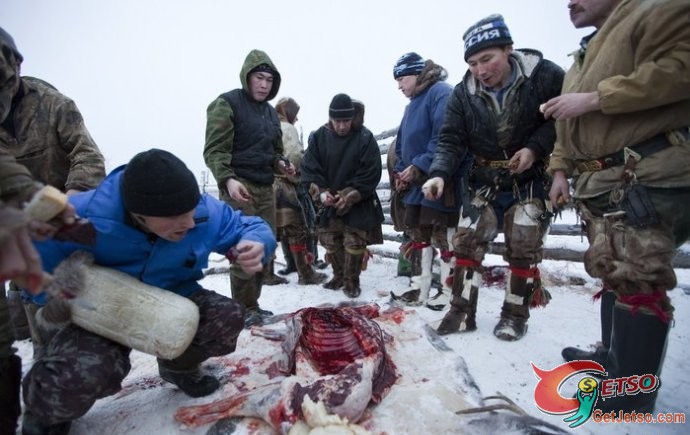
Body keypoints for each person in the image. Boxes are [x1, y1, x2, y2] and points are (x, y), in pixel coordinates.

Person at [20, 149, 276, 433]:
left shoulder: (202, 212)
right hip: (103, 309)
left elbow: (248, 225)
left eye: (192, 212)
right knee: (79, 375)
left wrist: (255, 242)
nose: (190, 223)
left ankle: (178, 367)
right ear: (139, 215)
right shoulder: (82, 217)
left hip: (171, 296)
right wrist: (54, 295)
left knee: (225, 317)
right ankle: (45, 411)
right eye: (178, 217)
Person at [543, 0, 690, 413]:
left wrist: (597, 99)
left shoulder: (660, 10)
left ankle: (632, 392)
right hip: (602, 180)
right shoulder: (584, 54)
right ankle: (613, 358)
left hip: (646, 172)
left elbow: (681, 68)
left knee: (638, 276)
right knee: (613, 269)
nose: (569, 2)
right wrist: (559, 169)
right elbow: (566, 124)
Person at [422, 14, 564, 341]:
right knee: (466, 242)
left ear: (509, 50)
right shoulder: (462, 94)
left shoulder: (546, 75)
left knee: (524, 244)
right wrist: (440, 173)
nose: (480, 70)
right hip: (482, 180)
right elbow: (451, 139)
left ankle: (515, 315)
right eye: (472, 63)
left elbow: (561, 120)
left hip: (531, 180)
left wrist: (534, 148)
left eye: (487, 59)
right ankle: (461, 312)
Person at [0, 26, 106, 344]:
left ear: (16, 65)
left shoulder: (54, 105)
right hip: (13, 227)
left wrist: (71, 200)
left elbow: (88, 156)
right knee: (31, 303)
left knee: (67, 298)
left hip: (61, 219)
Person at [204, 49, 293, 326]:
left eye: (269, 79)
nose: (264, 84)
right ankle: (243, 310)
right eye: (259, 77)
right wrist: (227, 180)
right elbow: (214, 150)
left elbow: (275, 150)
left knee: (264, 249)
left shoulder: (269, 113)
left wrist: (281, 163)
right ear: (247, 77)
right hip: (238, 187)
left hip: (266, 187)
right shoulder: (227, 104)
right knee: (245, 250)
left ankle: (251, 305)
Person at [387, 52, 461, 309]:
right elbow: (402, 144)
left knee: (443, 237)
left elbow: (443, 137)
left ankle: (449, 290)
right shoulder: (411, 106)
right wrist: (400, 172)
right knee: (419, 236)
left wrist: (419, 166)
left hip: (437, 182)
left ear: (418, 74)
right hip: (415, 185)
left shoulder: (441, 93)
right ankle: (421, 286)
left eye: (402, 78)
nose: (399, 85)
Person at [301, 93, 384, 298]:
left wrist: (349, 195)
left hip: (358, 200)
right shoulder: (319, 137)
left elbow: (371, 172)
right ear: (330, 118)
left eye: (346, 121)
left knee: (354, 241)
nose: (341, 126)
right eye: (337, 121)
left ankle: (351, 280)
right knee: (330, 239)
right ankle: (338, 275)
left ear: (352, 117)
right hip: (328, 199)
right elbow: (310, 169)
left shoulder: (364, 138)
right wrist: (321, 193)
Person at [272, 97, 327, 285]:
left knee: (270, 229)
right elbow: (294, 156)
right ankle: (305, 273)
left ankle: (266, 273)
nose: (296, 119)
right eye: (295, 115)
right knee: (297, 228)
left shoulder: (268, 126)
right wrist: (300, 174)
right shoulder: (287, 128)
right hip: (284, 184)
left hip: (267, 187)